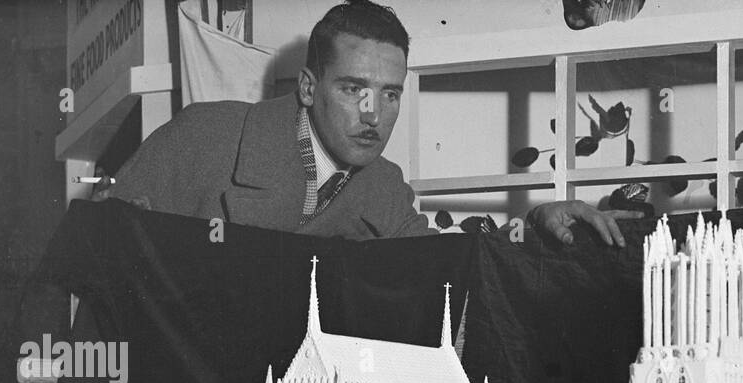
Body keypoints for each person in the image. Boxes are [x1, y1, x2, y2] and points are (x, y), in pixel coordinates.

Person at [106, 0, 638, 246]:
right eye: (353, 89)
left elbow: (445, 263)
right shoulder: (205, 137)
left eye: (389, 95)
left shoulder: (384, 190)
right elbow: (97, 255)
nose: (373, 115)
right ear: (309, 87)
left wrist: (536, 222)